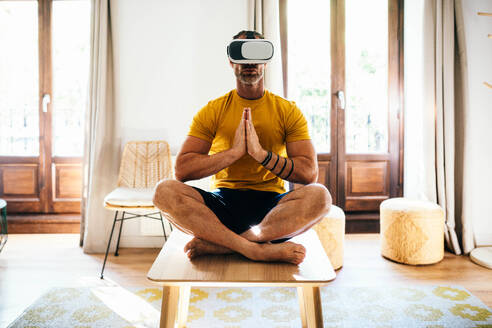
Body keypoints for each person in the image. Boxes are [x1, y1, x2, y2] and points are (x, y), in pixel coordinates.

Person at [153, 30, 331, 265]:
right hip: (222, 205)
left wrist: (261, 155)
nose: (249, 62)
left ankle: (225, 245)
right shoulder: (213, 110)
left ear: (266, 61)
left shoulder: (288, 111)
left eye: (257, 54)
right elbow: (182, 171)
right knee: (163, 191)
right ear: (231, 60)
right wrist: (234, 153)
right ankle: (254, 249)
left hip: (272, 212)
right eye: (241, 53)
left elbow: (309, 174)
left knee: (321, 196)